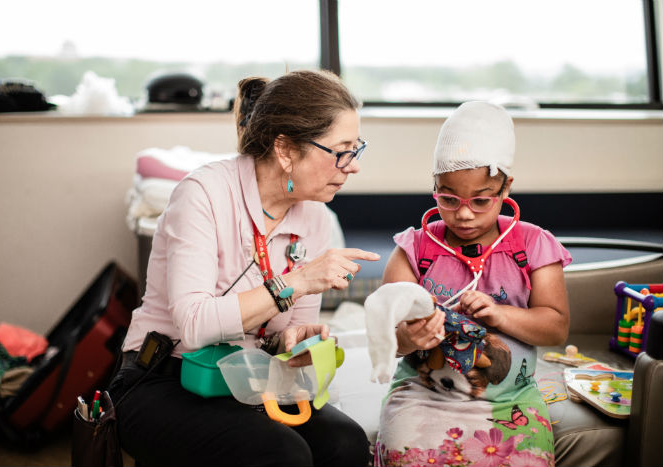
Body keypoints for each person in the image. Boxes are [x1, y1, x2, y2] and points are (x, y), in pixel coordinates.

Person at [108, 70, 379, 467]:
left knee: (344, 443)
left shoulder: (315, 218)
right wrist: (298, 281)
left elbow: (283, 335)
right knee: (280, 453)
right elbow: (195, 325)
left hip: (250, 379)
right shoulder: (202, 194)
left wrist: (300, 341)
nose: (352, 166)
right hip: (163, 376)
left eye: (357, 149)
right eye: (341, 150)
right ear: (285, 149)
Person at [375, 101, 571, 467]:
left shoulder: (534, 245)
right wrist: (409, 337)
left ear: (506, 188)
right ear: (434, 187)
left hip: (510, 401)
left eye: (481, 200)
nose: (463, 214)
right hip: (421, 394)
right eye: (448, 198)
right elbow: (385, 338)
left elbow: (556, 327)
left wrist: (499, 315)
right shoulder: (413, 249)